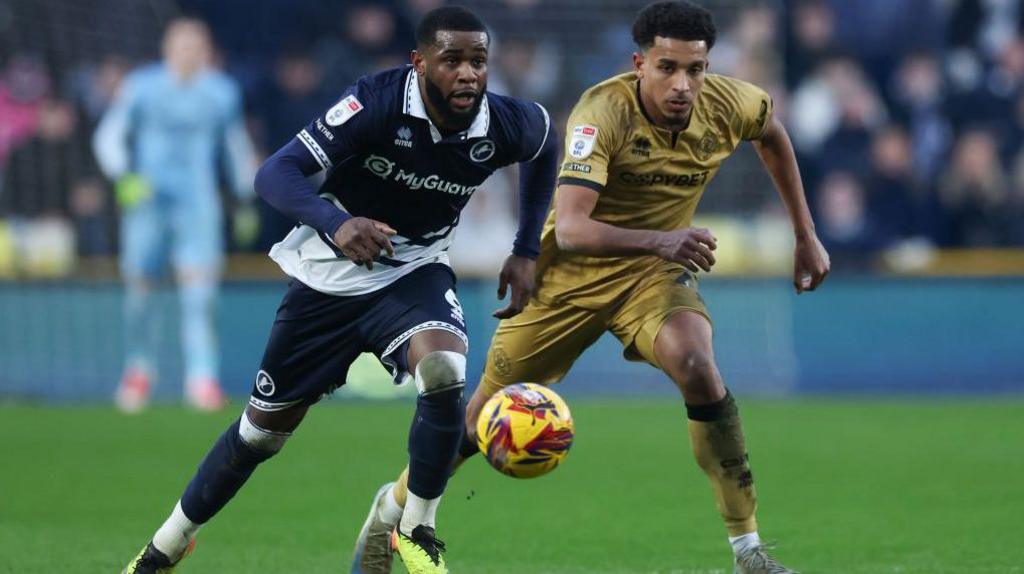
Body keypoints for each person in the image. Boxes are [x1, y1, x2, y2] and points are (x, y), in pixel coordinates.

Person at [351, 2, 830, 573]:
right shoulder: (601, 113)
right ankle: (393, 508)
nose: (682, 85)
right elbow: (573, 230)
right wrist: (662, 241)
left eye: (695, 70)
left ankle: (748, 551)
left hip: (651, 278)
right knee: (477, 425)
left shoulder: (731, 102)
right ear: (639, 63)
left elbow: (772, 131)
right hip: (565, 283)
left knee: (699, 367)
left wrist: (805, 232)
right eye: (667, 68)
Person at [122, 6, 557, 574]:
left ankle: (417, 529)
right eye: (452, 60)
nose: (469, 74)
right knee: (259, 435)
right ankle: (165, 548)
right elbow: (274, 173)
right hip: (329, 275)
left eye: (479, 61)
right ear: (419, 63)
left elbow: (547, 148)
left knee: (445, 368)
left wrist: (526, 250)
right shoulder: (376, 101)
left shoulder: (505, 121)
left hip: (413, 269)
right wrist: (336, 223)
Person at [93, 18, 259, 412]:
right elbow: (109, 136)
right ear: (167, 48)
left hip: (197, 204)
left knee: (200, 293)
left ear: (206, 50)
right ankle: (139, 370)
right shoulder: (142, 87)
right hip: (147, 202)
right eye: (181, 44)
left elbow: (235, 147)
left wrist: (247, 194)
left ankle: (201, 378)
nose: (189, 52)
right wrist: (123, 177)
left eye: (196, 45)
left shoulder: (221, 92)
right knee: (140, 289)